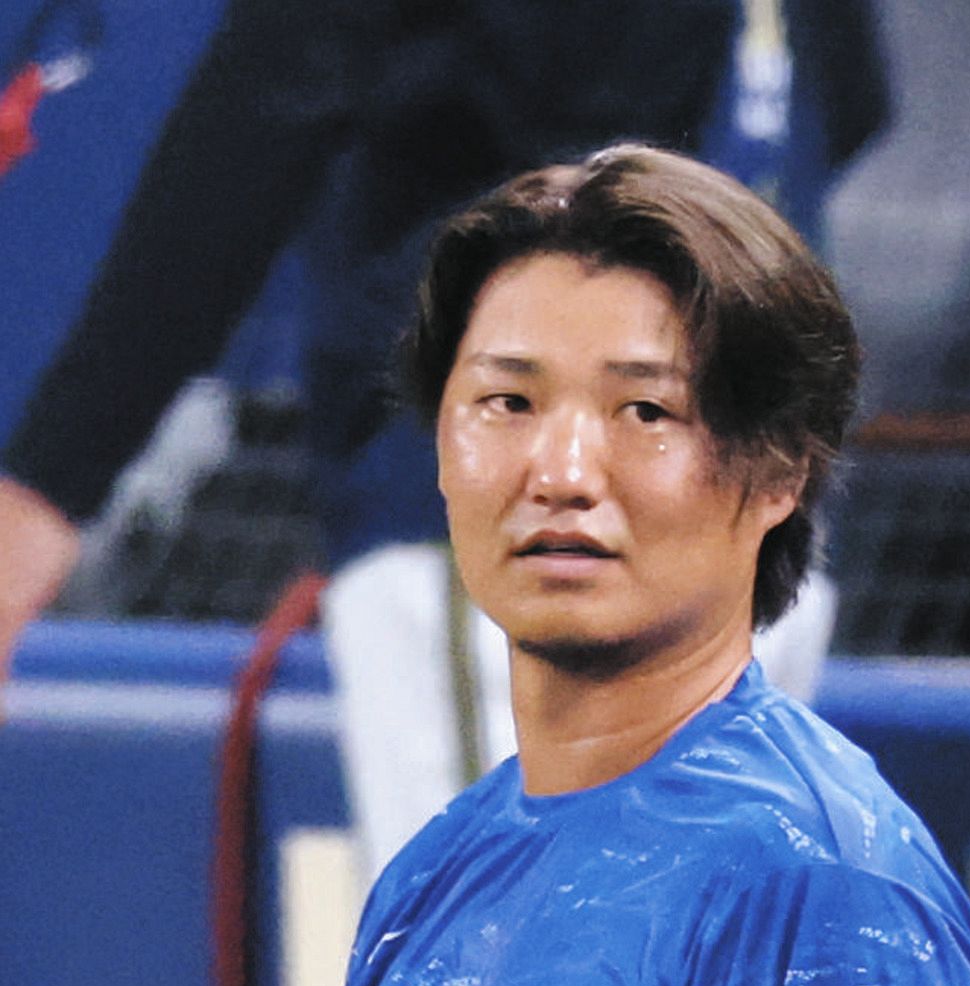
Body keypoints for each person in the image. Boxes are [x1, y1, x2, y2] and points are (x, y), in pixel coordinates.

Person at [0, 0, 890, 877]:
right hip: (752, 525)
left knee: (509, 961)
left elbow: (271, 102)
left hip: (525, 526)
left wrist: (48, 487)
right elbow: (853, 98)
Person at [338, 144, 970, 986]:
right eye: (508, 403)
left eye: (646, 412)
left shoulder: (822, 888)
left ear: (780, 472)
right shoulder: (430, 878)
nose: (561, 473)